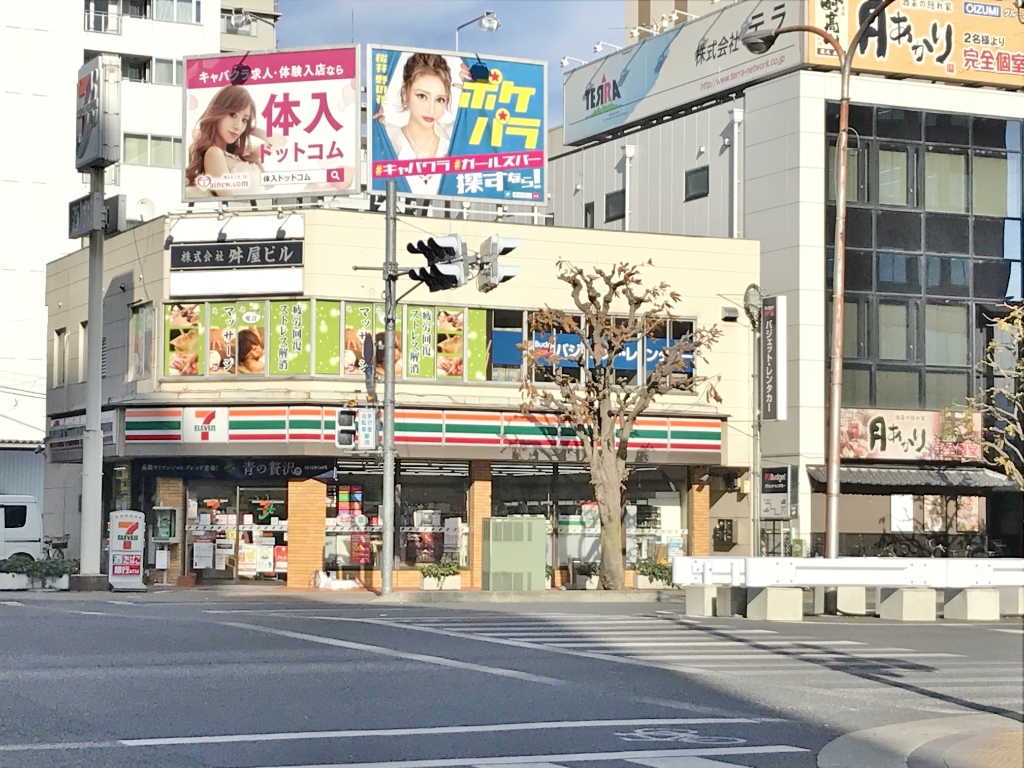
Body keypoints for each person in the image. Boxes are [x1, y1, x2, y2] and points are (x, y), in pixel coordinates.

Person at [378, 53, 468, 196]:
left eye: (440, 100)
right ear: (405, 93)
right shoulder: (385, 137)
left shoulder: (455, 137)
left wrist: (479, 94)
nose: (431, 110)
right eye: (422, 96)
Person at [185, 85, 284, 198]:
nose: (238, 126)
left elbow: (280, 141)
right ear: (217, 112)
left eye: (244, 120)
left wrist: (249, 129)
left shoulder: (243, 155)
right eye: (233, 115)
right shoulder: (214, 153)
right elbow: (229, 201)